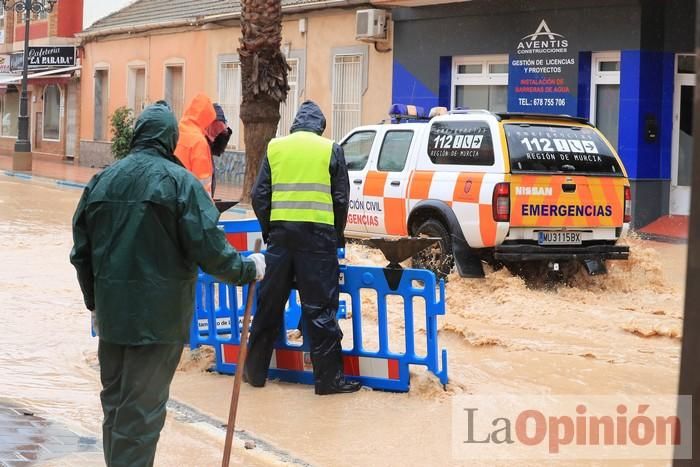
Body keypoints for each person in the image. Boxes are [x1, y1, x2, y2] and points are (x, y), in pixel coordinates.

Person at [69, 101, 266, 467]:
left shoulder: (101, 181)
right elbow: (211, 250)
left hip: (113, 319)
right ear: (170, 139)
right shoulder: (180, 185)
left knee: (115, 408)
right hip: (158, 323)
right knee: (140, 415)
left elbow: (81, 253)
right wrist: (247, 269)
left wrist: (95, 303)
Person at [246, 100, 361, 395]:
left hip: (281, 238)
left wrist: (270, 231)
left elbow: (259, 196)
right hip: (317, 239)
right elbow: (340, 200)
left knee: (269, 305)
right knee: (320, 309)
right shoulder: (330, 149)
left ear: (295, 125)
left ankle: (254, 373)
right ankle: (328, 381)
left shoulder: (275, 148)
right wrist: (335, 237)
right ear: (319, 127)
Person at [174, 93, 232, 197]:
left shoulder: (176, 133)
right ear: (208, 119)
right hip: (191, 205)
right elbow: (203, 187)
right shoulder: (199, 142)